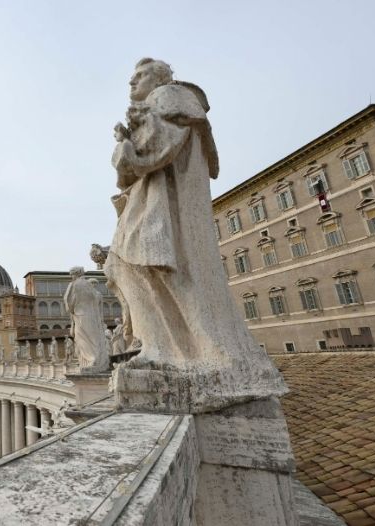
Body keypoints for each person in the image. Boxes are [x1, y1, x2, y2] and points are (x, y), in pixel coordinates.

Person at [107, 58, 286, 410]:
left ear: (159, 78)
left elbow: (149, 154)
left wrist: (125, 144)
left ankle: (210, 353)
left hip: (163, 204)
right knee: (125, 265)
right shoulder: (162, 103)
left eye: (139, 76)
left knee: (156, 268)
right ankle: (162, 347)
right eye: (131, 77)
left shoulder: (170, 97)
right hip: (153, 198)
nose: (131, 82)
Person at [63, 267, 109, 372]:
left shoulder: (74, 285)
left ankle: (90, 360)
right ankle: (97, 360)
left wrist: (71, 310)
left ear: (75, 274)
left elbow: (69, 302)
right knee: (92, 337)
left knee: (82, 338)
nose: (71, 277)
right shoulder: (90, 286)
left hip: (81, 315)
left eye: (72, 274)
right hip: (92, 316)